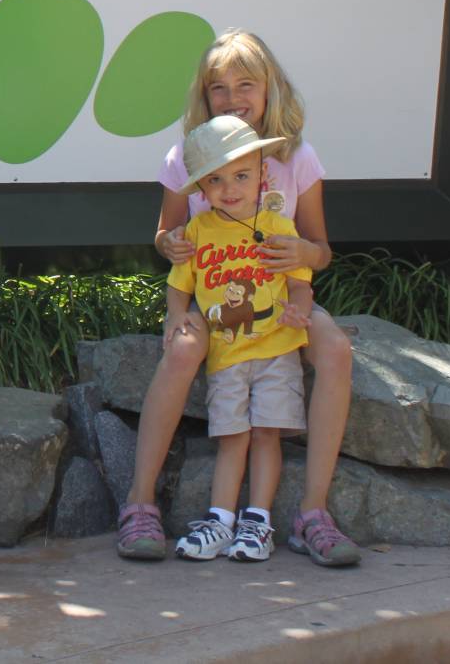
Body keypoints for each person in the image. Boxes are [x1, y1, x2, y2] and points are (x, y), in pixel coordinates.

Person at [115, 29, 362, 567]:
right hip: (211, 297)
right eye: (218, 89)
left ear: (271, 88)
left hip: (279, 296)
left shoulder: (297, 157)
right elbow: (165, 236)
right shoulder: (188, 155)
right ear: (203, 98)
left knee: (337, 350)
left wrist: (303, 250)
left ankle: (312, 514)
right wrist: (171, 245)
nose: (232, 99)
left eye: (245, 84)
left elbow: (322, 251)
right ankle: (140, 504)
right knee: (182, 351)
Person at [163, 116, 313, 561]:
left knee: (267, 433)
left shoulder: (279, 227)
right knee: (232, 436)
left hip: (276, 350)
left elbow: (301, 280)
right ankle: (221, 521)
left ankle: (258, 523)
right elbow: (180, 281)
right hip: (226, 354)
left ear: (262, 175)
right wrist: (175, 315)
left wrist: (300, 308)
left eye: (242, 175)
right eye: (216, 180)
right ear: (202, 190)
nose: (230, 188)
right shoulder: (199, 230)